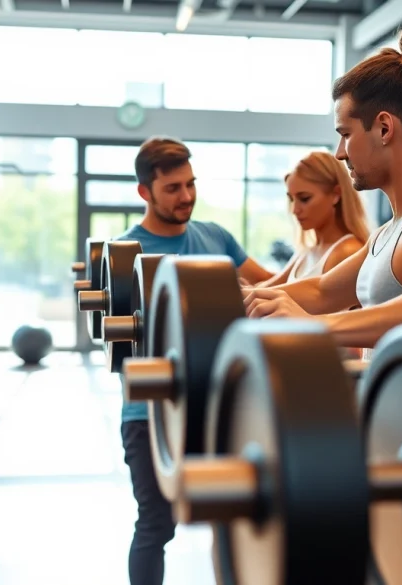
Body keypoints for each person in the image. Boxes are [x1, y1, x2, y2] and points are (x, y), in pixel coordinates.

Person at [243, 24, 402, 355]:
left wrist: (313, 326)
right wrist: (241, 299)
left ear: (383, 128)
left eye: (345, 134)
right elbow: (323, 291)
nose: (339, 152)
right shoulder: (386, 234)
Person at [114, 136, 273, 585]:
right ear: (145, 192)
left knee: (234, 514)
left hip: (222, 402)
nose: (186, 196)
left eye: (190, 184)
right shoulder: (129, 253)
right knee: (156, 524)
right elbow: (121, 347)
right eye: (172, 189)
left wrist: (333, 263)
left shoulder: (215, 237)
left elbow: (275, 287)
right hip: (150, 413)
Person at [253, 151, 370, 288]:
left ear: (335, 194)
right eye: (292, 199)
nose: (295, 210)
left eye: (304, 199)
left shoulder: (347, 251)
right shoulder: (307, 251)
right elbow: (268, 289)